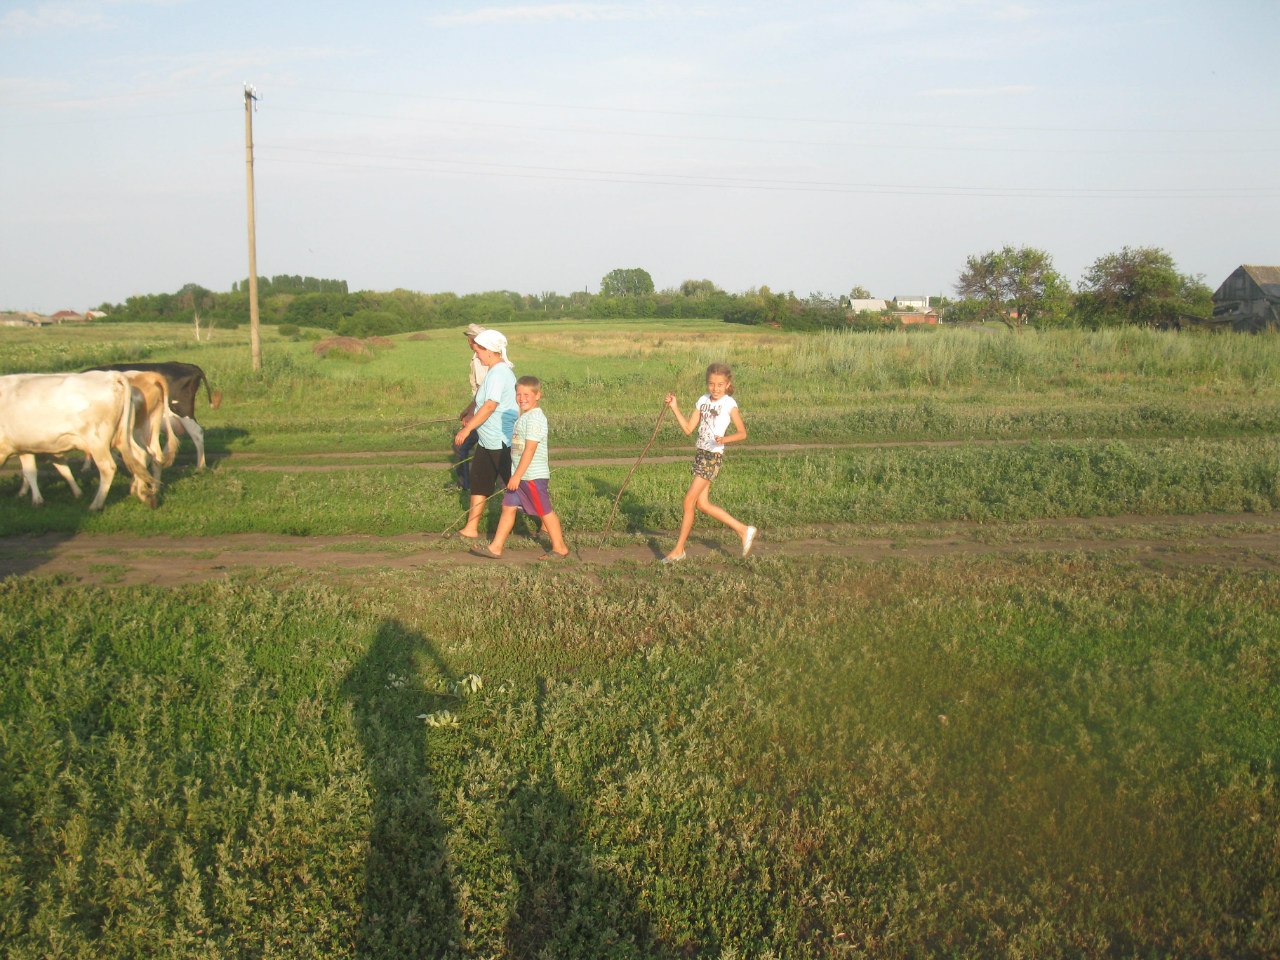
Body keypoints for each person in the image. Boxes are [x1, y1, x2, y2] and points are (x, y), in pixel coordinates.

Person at [660, 362, 757, 563]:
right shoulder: (702, 401)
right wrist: (674, 407)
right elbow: (688, 429)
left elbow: (742, 433)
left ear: (727, 384)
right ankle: (743, 529)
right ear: (707, 384)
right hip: (701, 454)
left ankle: (679, 550)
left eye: (720, 384)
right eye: (711, 384)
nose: (715, 388)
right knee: (702, 504)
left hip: (712, 457)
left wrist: (725, 439)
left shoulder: (729, 404)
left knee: (688, 501)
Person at [470, 375, 571, 561]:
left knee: (544, 511)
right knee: (508, 507)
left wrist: (516, 476)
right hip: (520, 475)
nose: (522, 398)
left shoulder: (534, 419)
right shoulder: (524, 417)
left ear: (538, 395)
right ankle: (495, 547)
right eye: (518, 394)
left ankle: (560, 547)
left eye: (527, 394)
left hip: (531, 475)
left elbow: (530, 450)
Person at [452, 329, 517, 539]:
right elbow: (481, 398)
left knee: (516, 485)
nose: (476, 353)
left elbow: (490, 406)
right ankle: (471, 528)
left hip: (501, 441)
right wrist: (469, 411)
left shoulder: (499, 373)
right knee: (479, 482)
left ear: (489, 351)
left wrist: (468, 428)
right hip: (488, 441)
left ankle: (545, 521)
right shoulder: (492, 371)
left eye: (479, 349)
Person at [453, 323, 488, 490]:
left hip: (484, 410)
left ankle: (466, 484)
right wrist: (468, 409)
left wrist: (471, 414)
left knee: (461, 445)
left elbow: (483, 391)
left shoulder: (480, 359)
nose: (468, 341)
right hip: (481, 408)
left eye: (469, 338)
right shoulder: (482, 356)